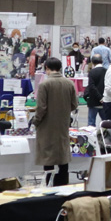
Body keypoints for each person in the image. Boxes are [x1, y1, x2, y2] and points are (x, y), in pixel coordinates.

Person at [34, 57, 78, 186]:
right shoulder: (69, 83)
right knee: (63, 156)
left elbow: (41, 108)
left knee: (48, 158)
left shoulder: (44, 85)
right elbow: (74, 104)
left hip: (47, 126)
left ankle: (49, 186)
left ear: (47, 68)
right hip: (63, 124)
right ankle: (63, 185)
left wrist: (35, 121)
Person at [84, 54, 106, 126]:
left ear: (92, 62)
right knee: (106, 123)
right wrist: (102, 98)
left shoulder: (92, 72)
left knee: (91, 123)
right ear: (102, 61)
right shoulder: (106, 71)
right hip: (104, 101)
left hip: (94, 101)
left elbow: (91, 87)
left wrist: (99, 97)